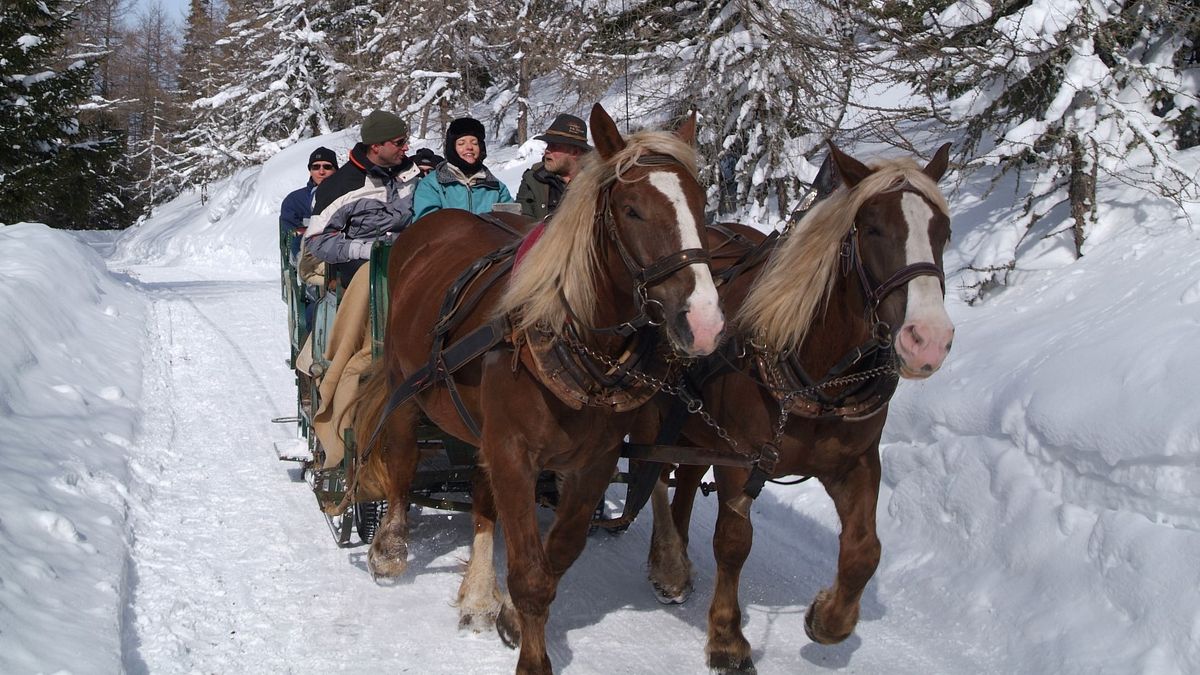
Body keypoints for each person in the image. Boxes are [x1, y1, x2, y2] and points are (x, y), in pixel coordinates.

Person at [304, 110, 421, 288]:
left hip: (411, 256)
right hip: (364, 265)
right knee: (372, 285)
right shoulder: (340, 185)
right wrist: (364, 250)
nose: (406, 148)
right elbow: (317, 240)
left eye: (405, 141)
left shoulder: (411, 175)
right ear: (376, 146)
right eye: (399, 143)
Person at [411, 117, 514, 220]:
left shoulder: (496, 187)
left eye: (474, 143)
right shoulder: (432, 185)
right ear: (452, 148)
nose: (469, 147)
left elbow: (511, 225)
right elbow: (425, 226)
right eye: (461, 143)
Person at [516, 113, 591, 221]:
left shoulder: (595, 183)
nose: (547, 150)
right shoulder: (533, 179)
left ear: (575, 152)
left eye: (555, 146)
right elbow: (523, 225)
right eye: (548, 144)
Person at [279, 147, 338, 263]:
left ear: (336, 169)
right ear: (310, 170)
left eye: (327, 167)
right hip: (308, 254)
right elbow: (292, 235)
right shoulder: (295, 200)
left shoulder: (348, 194)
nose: (321, 171)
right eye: (316, 167)